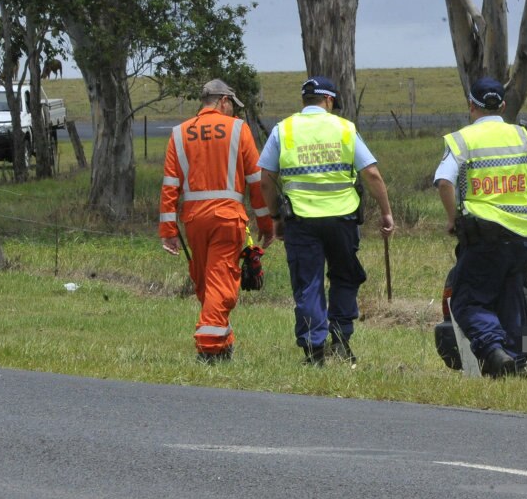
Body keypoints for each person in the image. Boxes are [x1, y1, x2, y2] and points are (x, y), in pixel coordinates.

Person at [259, 76, 394, 366]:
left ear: (304, 101)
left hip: (301, 221)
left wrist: (274, 217)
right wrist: (386, 212)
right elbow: (371, 174)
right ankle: (342, 340)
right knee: (345, 277)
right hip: (342, 220)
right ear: (329, 100)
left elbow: (266, 181)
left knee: (308, 283)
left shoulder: (283, 130)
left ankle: (314, 350)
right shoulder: (345, 128)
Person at [435, 77, 527, 376]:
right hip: (522, 238)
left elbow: (445, 181)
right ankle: (515, 364)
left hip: (484, 240)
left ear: (471, 106)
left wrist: (452, 218)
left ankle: (494, 350)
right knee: (511, 302)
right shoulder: (525, 138)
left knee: (467, 302)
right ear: (502, 105)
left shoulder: (462, 140)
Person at [159, 79, 275, 362]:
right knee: (218, 283)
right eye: (232, 106)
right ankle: (210, 350)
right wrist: (266, 224)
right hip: (227, 219)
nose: (233, 111)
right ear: (223, 101)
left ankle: (222, 343)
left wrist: (168, 229)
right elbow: (257, 183)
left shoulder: (179, 133)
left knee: (207, 283)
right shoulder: (238, 129)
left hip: (195, 221)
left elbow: (170, 185)